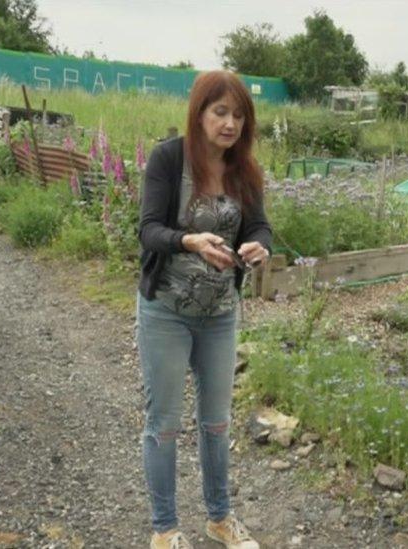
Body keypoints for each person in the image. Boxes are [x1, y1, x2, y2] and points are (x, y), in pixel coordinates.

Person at [137, 70, 271, 549]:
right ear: (199, 113)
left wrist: (259, 247)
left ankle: (219, 519)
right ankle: (165, 529)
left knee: (216, 422)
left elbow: (260, 227)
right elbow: (148, 230)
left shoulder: (245, 171)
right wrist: (188, 240)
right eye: (220, 112)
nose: (230, 123)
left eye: (238, 115)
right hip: (166, 312)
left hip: (219, 314)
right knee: (164, 424)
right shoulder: (170, 159)